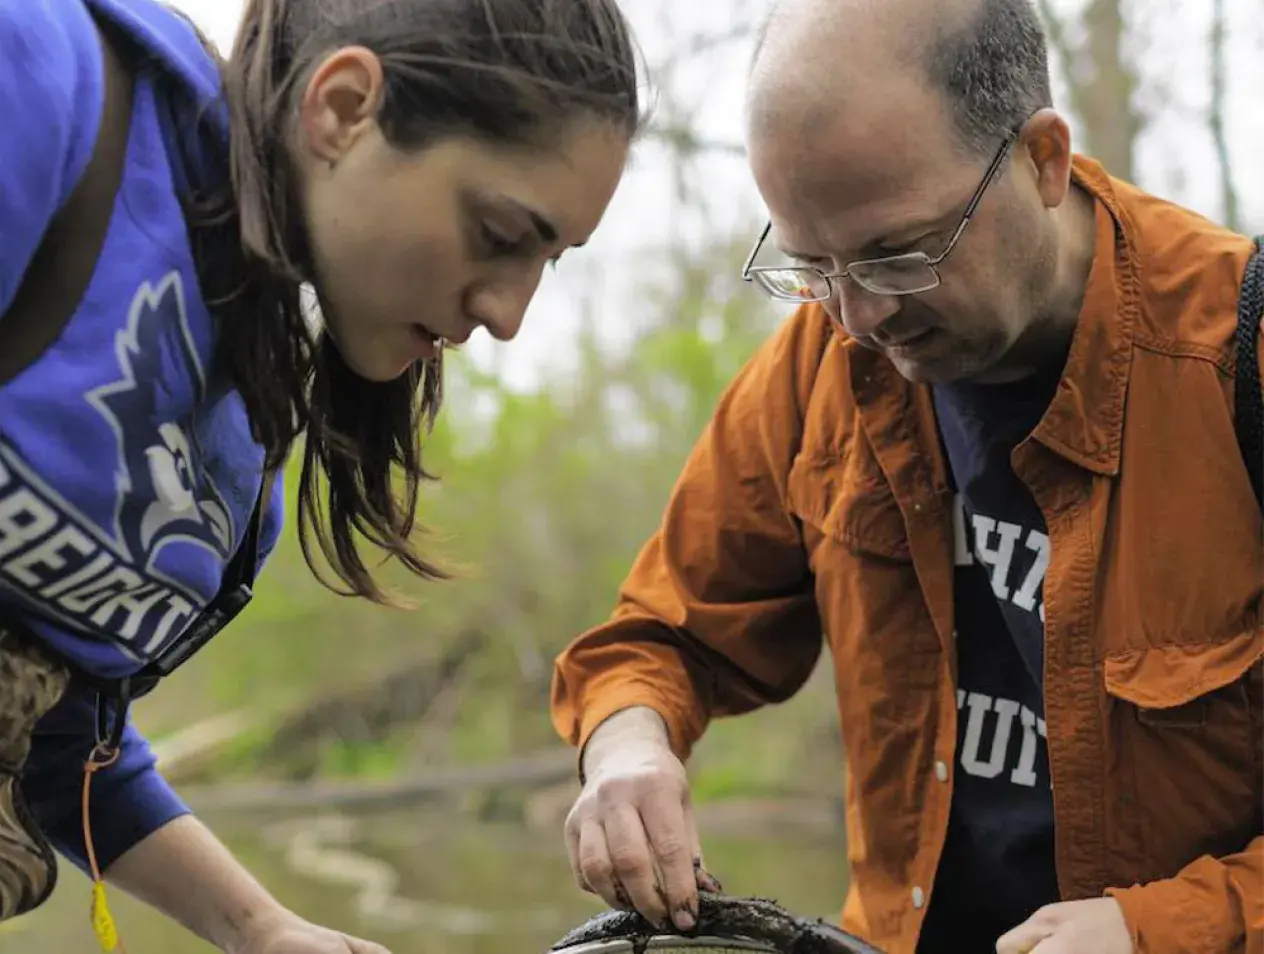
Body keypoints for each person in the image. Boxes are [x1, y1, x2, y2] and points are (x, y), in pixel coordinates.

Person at [550, 0, 1263, 951]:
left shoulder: (1234, 359)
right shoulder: (821, 368)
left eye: (898, 255)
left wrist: (1157, 931)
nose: (857, 315)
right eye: (811, 264)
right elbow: (661, 634)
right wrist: (627, 744)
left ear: (1043, 160)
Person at [0, 0, 640, 950]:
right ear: (342, 110)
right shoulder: (40, 82)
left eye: (551, 261)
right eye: (502, 232)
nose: (511, 315)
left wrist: (261, 929)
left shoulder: (240, 440)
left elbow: (59, 748)